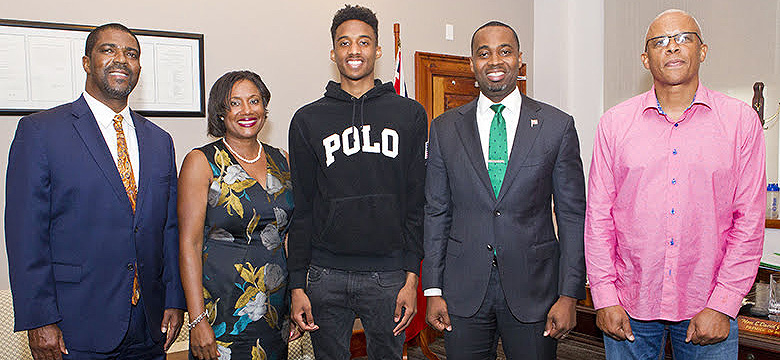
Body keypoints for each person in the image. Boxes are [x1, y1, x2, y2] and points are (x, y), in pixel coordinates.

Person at [585, 9, 765, 359]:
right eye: (660, 42)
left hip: (708, 304)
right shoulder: (614, 124)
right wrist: (604, 297)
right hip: (629, 304)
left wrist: (724, 302)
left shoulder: (740, 122)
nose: (672, 47)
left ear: (703, 51)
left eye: (684, 38)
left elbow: (749, 220)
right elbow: (599, 219)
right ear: (645, 59)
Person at [5, 23, 184, 359]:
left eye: (131, 54)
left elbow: (169, 228)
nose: (121, 59)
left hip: (149, 324)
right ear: (87, 62)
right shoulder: (41, 131)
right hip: (75, 325)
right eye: (108, 50)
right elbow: (25, 234)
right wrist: (39, 318)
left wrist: (175, 299)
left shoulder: (160, 141)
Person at [422, 21, 587, 359]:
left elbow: (572, 215)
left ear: (519, 59)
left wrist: (569, 294)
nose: (495, 61)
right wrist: (433, 289)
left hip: (535, 290)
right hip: (463, 290)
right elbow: (436, 212)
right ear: (472, 63)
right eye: (484, 54)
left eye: (505, 51)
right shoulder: (444, 129)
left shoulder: (556, 126)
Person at [287, 4, 427, 359]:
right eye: (344, 42)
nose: (354, 50)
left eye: (363, 42)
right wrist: (297, 285)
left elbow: (416, 204)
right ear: (333, 52)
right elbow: (302, 209)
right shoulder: (307, 120)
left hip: (389, 276)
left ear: (377, 50)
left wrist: (412, 278)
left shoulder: (409, 115)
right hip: (324, 275)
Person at [178, 71, 294, 360]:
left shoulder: (283, 159)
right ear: (221, 112)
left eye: (254, 101)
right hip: (222, 309)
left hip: (274, 309)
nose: (247, 110)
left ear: (264, 107)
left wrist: (294, 298)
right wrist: (197, 320)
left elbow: (288, 236)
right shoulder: (200, 162)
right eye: (235, 103)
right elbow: (189, 244)